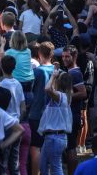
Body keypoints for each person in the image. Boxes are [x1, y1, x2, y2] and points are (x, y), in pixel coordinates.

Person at [37, 68, 73, 175]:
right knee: (43, 165)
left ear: (59, 82)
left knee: (56, 167)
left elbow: (47, 89)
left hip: (55, 138)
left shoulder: (60, 97)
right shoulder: (65, 97)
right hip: (53, 137)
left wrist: (53, 76)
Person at [28, 41, 55, 175]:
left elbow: (30, 91)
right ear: (52, 54)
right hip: (53, 115)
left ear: (39, 53)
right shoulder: (58, 72)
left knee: (35, 149)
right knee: (49, 147)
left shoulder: (37, 71)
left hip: (37, 114)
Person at [60, 45, 87, 175]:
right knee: (70, 148)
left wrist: (65, 97)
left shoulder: (74, 73)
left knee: (71, 148)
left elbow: (83, 93)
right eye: (63, 56)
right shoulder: (71, 72)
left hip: (72, 116)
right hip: (71, 115)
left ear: (74, 56)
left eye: (67, 56)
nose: (64, 59)